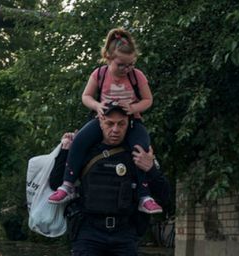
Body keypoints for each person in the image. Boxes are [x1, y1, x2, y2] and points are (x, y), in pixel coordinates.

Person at [54, 102, 170, 256]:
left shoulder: (138, 152)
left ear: (129, 124)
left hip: (123, 232)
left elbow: (164, 196)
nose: (115, 129)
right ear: (100, 122)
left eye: (121, 124)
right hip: (88, 230)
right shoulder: (84, 150)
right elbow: (55, 183)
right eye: (110, 123)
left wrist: (151, 168)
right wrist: (64, 150)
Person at [48, 27, 163, 215]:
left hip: (131, 122)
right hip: (103, 118)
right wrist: (97, 106)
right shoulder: (99, 74)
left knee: (141, 149)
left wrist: (133, 108)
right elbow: (86, 96)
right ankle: (67, 185)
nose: (126, 69)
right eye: (121, 65)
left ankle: (144, 196)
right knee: (79, 141)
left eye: (130, 64)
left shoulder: (137, 76)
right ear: (108, 58)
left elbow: (148, 100)